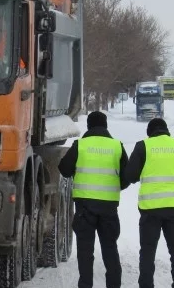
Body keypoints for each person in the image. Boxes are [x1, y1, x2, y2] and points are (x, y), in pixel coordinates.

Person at [58, 111, 130, 288]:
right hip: (109, 207)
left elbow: (64, 169)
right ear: (105, 126)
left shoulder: (80, 145)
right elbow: (127, 176)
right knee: (110, 248)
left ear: (89, 126)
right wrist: (114, 187)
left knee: (85, 251)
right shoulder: (117, 146)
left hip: (84, 208)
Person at [125, 118, 174, 288]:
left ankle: (146, 285)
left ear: (150, 132)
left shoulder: (143, 146)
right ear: (166, 130)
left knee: (148, 251)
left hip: (151, 209)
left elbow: (130, 175)